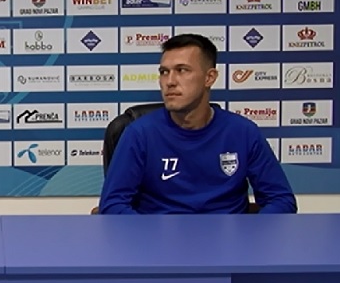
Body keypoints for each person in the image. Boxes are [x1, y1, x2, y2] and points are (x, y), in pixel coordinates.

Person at [98, 34, 297, 214]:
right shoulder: (139, 133)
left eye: (182, 70)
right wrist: (147, 235)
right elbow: (112, 204)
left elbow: (281, 200)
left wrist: (251, 233)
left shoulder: (243, 132)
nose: (170, 81)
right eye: (164, 72)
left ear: (209, 78)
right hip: (160, 239)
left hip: (228, 238)